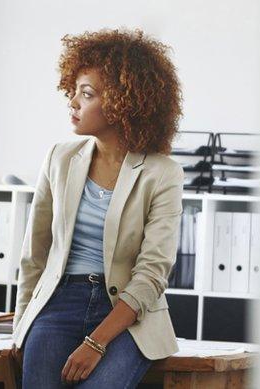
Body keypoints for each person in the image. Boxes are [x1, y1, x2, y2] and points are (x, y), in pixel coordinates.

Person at [12, 28, 185, 388]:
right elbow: (35, 255)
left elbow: (153, 272)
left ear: (125, 102)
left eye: (86, 94)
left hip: (126, 315)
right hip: (58, 304)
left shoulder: (162, 173)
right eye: (73, 91)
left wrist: (96, 341)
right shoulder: (59, 158)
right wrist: (20, 328)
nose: (73, 102)